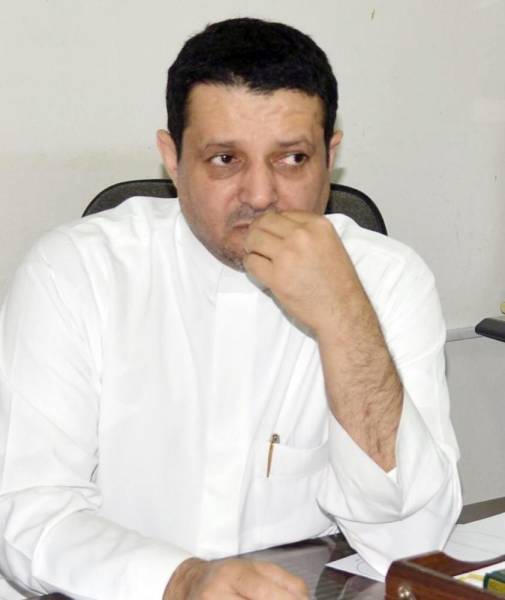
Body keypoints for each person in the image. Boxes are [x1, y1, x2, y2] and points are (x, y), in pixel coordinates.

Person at [0, 17, 461, 600]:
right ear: (172, 158)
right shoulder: (73, 272)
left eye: (292, 158)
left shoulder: (389, 279)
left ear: (331, 155)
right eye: (225, 159)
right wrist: (182, 580)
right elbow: (27, 516)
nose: (262, 195)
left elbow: (412, 543)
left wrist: (345, 318)